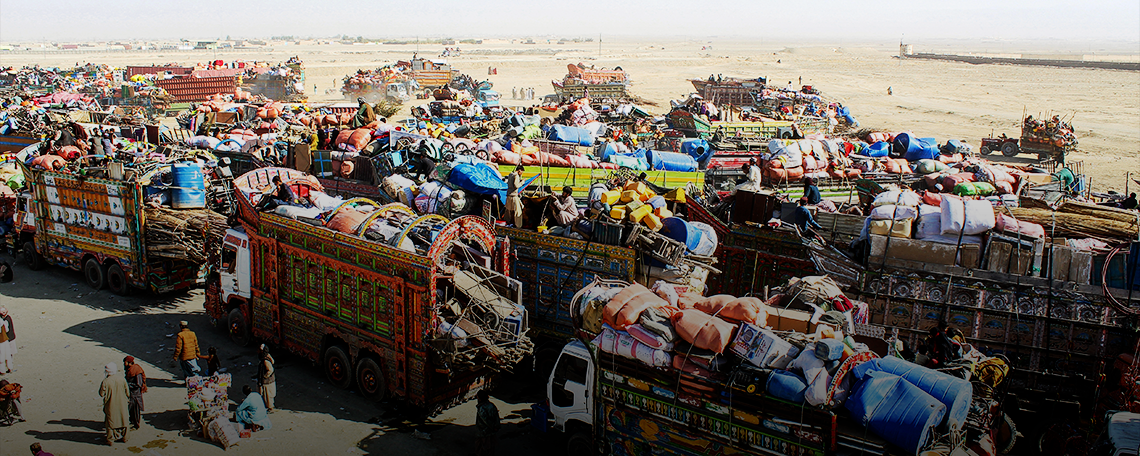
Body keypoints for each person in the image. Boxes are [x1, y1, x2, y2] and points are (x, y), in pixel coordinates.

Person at [100, 363, 130, 445]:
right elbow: (127, 392)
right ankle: (125, 437)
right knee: (124, 420)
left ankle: (110, 440)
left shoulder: (106, 381)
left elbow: (101, 394)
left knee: (110, 422)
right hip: (122, 403)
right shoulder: (122, 379)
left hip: (110, 404)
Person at [474, 389, 500, 456]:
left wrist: (492, 427)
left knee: (481, 446)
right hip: (491, 431)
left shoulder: (481, 409)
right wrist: (496, 426)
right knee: (491, 446)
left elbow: (486, 421)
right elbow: (496, 416)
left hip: (484, 431)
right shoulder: (492, 405)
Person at [123, 356, 146, 429]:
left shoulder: (136, 370)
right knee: (131, 408)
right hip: (131, 393)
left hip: (135, 393)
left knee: (135, 409)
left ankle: (136, 424)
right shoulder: (129, 369)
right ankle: (132, 421)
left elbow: (138, 384)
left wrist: (128, 385)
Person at [258, 345, 276, 413]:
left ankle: (270, 408)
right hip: (269, 381)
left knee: (267, 395)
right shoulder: (268, 356)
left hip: (267, 381)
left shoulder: (265, 360)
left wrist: (264, 376)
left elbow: (270, 370)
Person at [0, 307, 13, 373]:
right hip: (5, 339)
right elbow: (7, 329)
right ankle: (10, 368)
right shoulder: (4, 321)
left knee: (1, 356)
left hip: (1, 340)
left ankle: (2, 371)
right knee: (7, 354)